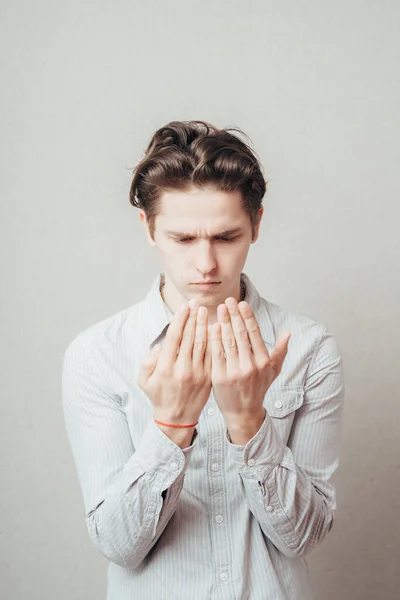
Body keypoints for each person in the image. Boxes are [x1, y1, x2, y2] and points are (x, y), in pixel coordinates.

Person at [62, 120, 344, 600]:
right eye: (183, 239)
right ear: (148, 229)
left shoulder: (310, 349)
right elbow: (118, 545)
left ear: (256, 225)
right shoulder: (97, 355)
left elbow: (303, 538)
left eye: (226, 237)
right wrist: (172, 426)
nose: (206, 264)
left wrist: (250, 423)